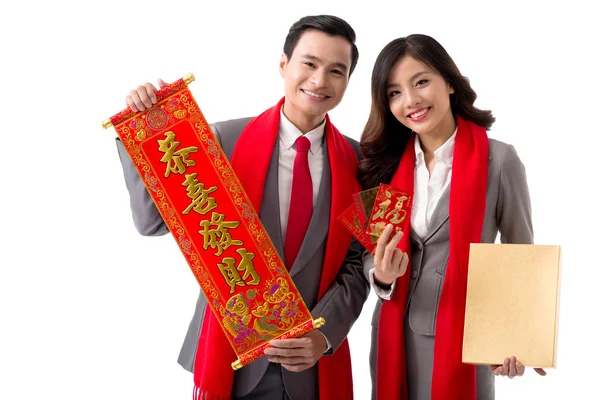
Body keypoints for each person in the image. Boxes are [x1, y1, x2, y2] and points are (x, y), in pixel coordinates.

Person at [116, 15, 369, 400]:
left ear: (348, 81)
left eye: (337, 70)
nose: (320, 81)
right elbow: (151, 222)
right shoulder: (222, 140)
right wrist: (146, 133)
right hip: (229, 359)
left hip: (312, 364)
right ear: (284, 65)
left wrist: (324, 334)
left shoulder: (362, 164)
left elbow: (357, 264)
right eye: (309, 63)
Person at [357, 34, 545, 400]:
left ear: (450, 82)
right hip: (393, 338)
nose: (410, 101)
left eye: (421, 82)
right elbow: (370, 252)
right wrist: (380, 275)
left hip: (465, 343)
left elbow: (519, 256)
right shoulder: (383, 165)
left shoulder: (499, 160)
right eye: (394, 92)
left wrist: (517, 339)